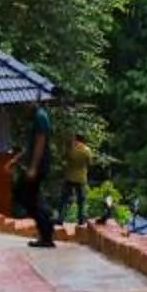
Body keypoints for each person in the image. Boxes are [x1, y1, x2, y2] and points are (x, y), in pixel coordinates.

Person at [22, 100, 57, 247]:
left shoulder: (40, 116)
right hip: (36, 163)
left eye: (25, 103)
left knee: (30, 198)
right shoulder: (37, 116)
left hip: (39, 164)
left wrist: (33, 167)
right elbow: (31, 144)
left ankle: (47, 229)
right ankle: (46, 229)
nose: (23, 107)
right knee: (30, 197)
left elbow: (40, 142)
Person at [63, 131, 93, 227]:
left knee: (64, 199)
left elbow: (65, 157)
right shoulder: (87, 150)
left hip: (69, 176)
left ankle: (60, 218)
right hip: (81, 178)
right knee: (81, 201)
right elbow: (90, 163)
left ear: (76, 138)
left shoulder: (70, 148)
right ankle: (80, 220)